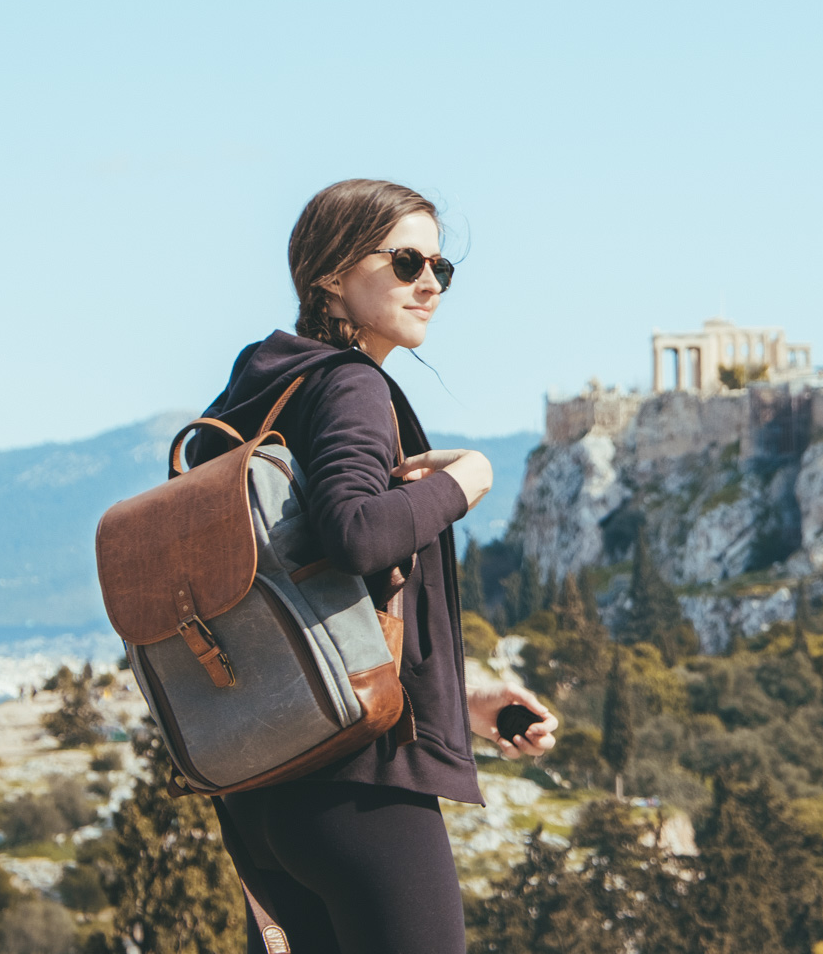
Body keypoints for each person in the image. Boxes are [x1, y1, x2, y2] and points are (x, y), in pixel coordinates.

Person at [190, 179, 557, 953]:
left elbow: (301, 583)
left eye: (441, 268)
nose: (429, 283)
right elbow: (356, 536)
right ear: (330, 274)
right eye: (404, 261)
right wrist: (467, 482)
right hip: (358, 780)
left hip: (258, 781)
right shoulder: (349, 383)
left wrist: (460, 696)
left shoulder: (253, 391)